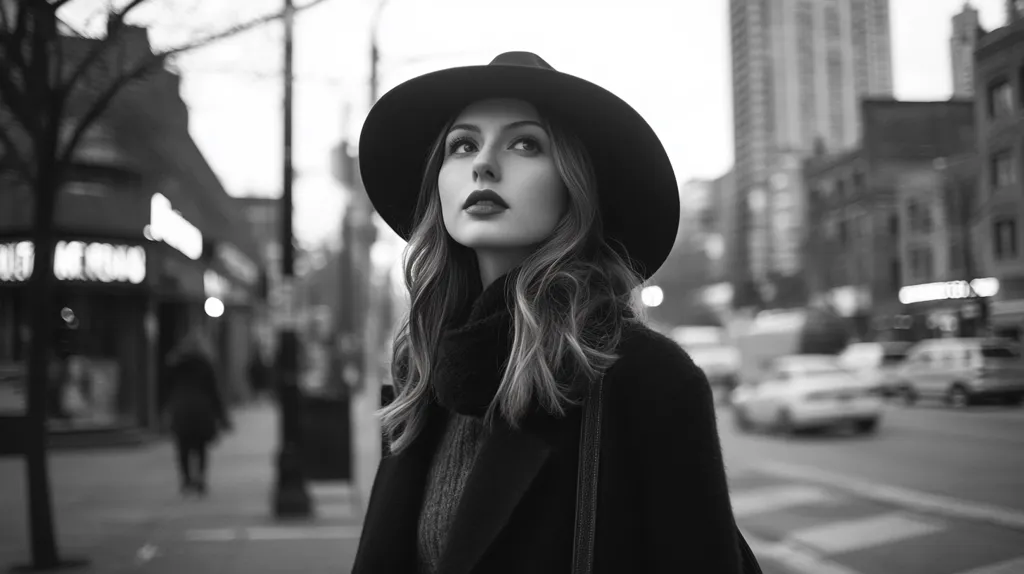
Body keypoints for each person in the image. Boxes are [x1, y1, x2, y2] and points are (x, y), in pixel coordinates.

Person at [351, 52, 759, 573]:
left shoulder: (645, 379)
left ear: (575, 183)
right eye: (463, 144)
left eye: (525, 143)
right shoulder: (422, 372)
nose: (484, 163)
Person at [162, 328, 231, 496]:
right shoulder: (205, 364)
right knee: (200, 447)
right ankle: (200, 478)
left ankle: (186, 480)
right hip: (201, 408)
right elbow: (214, 391)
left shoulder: (175, 364)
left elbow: (165, 389)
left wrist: (164, 409)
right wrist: (222, 416)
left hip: (181, 408)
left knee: (183, 446)